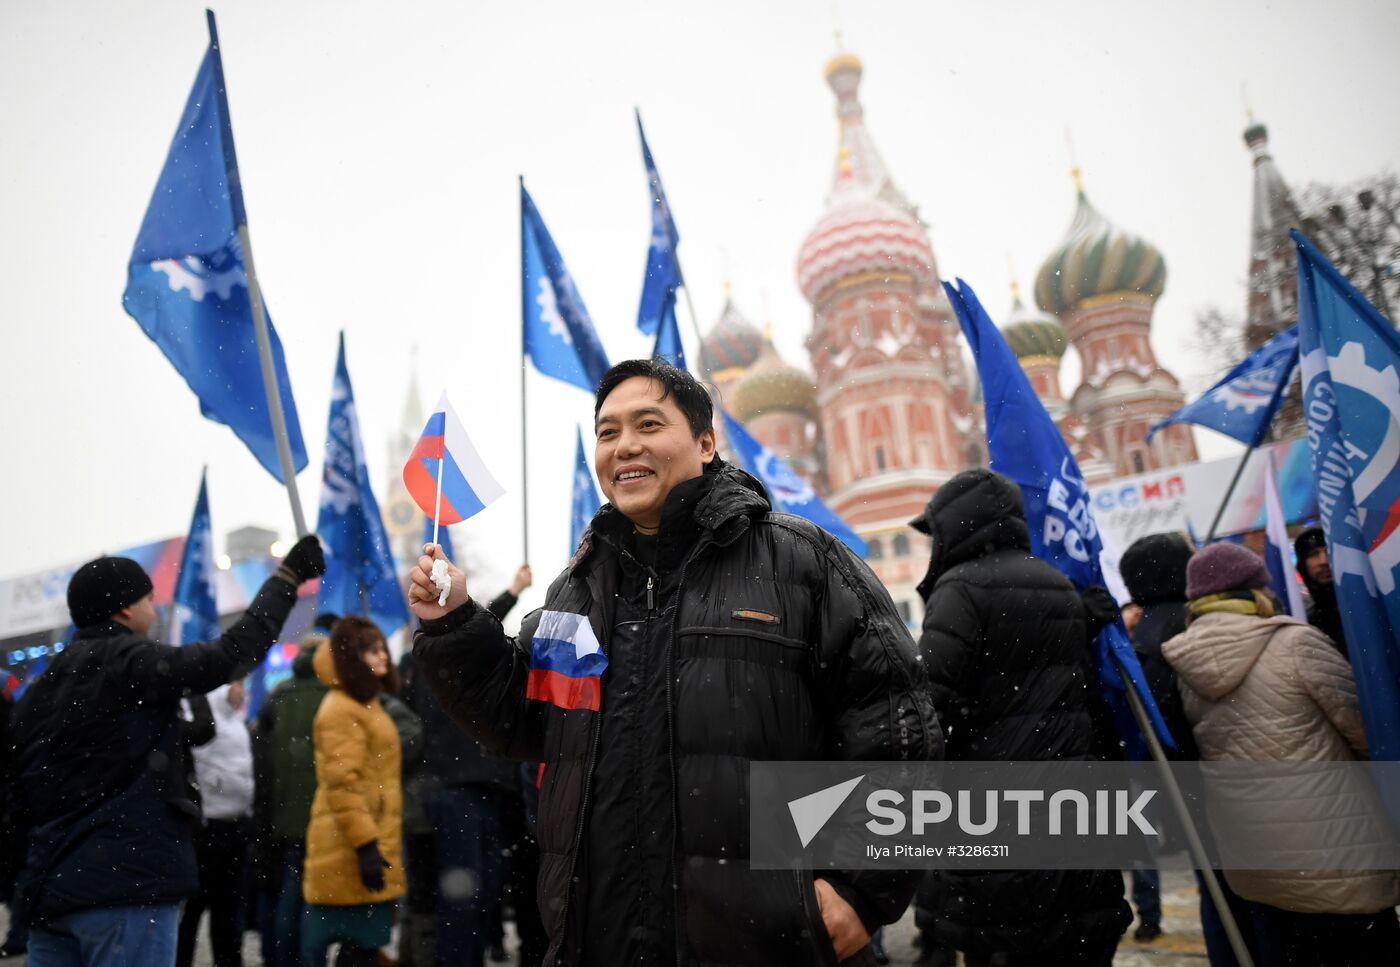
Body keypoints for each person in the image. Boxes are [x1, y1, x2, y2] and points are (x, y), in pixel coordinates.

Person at [408, 358, 940, 966]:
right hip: (601, 939)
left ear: (706, 442)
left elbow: (899, 731)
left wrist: (857, 892)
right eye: (607, 432)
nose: (624, 445)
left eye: (648, 424)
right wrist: (452, 626)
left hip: (764, 945)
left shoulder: (802, 562)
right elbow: (524, 717)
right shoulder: (576, 591)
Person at [8, 537, 324, 967]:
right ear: (124, 609)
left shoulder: (40, 691)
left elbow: (15, 797)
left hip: (50, 896)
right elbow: (229, 655)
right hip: (125, 888)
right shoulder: (129, 661)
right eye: (148, 599)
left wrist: (22, 886)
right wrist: (286, 581)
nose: (154, 610)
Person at [908, 468, 1132, 967]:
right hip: (1074, 807)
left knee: (1009, 943)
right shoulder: (1057, 584)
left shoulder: (961, 590)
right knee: (1072, 942)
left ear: (959, 525)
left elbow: (932, 706)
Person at [1162, 541, 1400, 966]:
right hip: (1338, 853)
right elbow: (1369, 735)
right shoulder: (1294, 642)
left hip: (1258, 858)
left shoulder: (1184, 663)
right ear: (1255, 591)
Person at [398, 564, 532, 967]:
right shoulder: (420, 659)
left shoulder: (470, 651)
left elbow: (482, 633)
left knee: (486, 897)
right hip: (455, 791)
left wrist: (513, 590)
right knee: (462, 900)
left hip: (495, 791)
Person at [301, 616, 405, 967]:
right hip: (350, 846)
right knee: (358, 949)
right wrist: (365, 846)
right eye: (371, 650)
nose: (383, 656)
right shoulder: (340, 708)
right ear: (351, 658)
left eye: (381, 648)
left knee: (365, 948)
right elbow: (342, 784)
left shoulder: (364, 703)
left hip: (366, 841)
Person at [251, 628, 331, 967]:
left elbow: (261, 761)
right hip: (322, 814)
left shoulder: (278, 695)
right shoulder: (331, 696)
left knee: (285, 891)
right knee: (313, 896)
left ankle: (280, 958)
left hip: (281, 815)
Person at [176, 680, 256, 967]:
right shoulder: (206, 719)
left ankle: (228, 959)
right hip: (208, 830)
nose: (243, 691)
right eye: (238, 685)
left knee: (227, 910)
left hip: (234, 828)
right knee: (195, 909)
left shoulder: (235, 720)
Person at [1293, 526, 1347, 657]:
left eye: (1328, 551)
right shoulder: (1306, 620)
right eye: (1314, 554)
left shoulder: (1366, 605)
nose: (1324, 561)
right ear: (1303, 565)